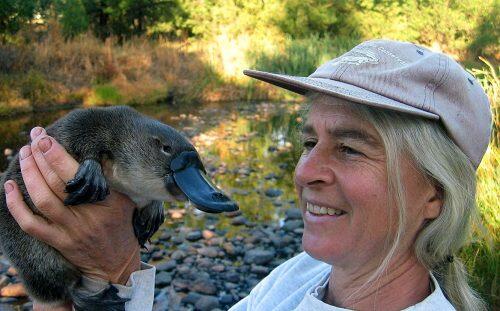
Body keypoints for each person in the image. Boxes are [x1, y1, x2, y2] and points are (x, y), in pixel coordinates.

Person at [3, 39, 492, 310]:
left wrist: (110, 274)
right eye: (308, 142)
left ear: (436, 194)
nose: (304, 171)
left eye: (348, 147)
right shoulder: (307, 272)